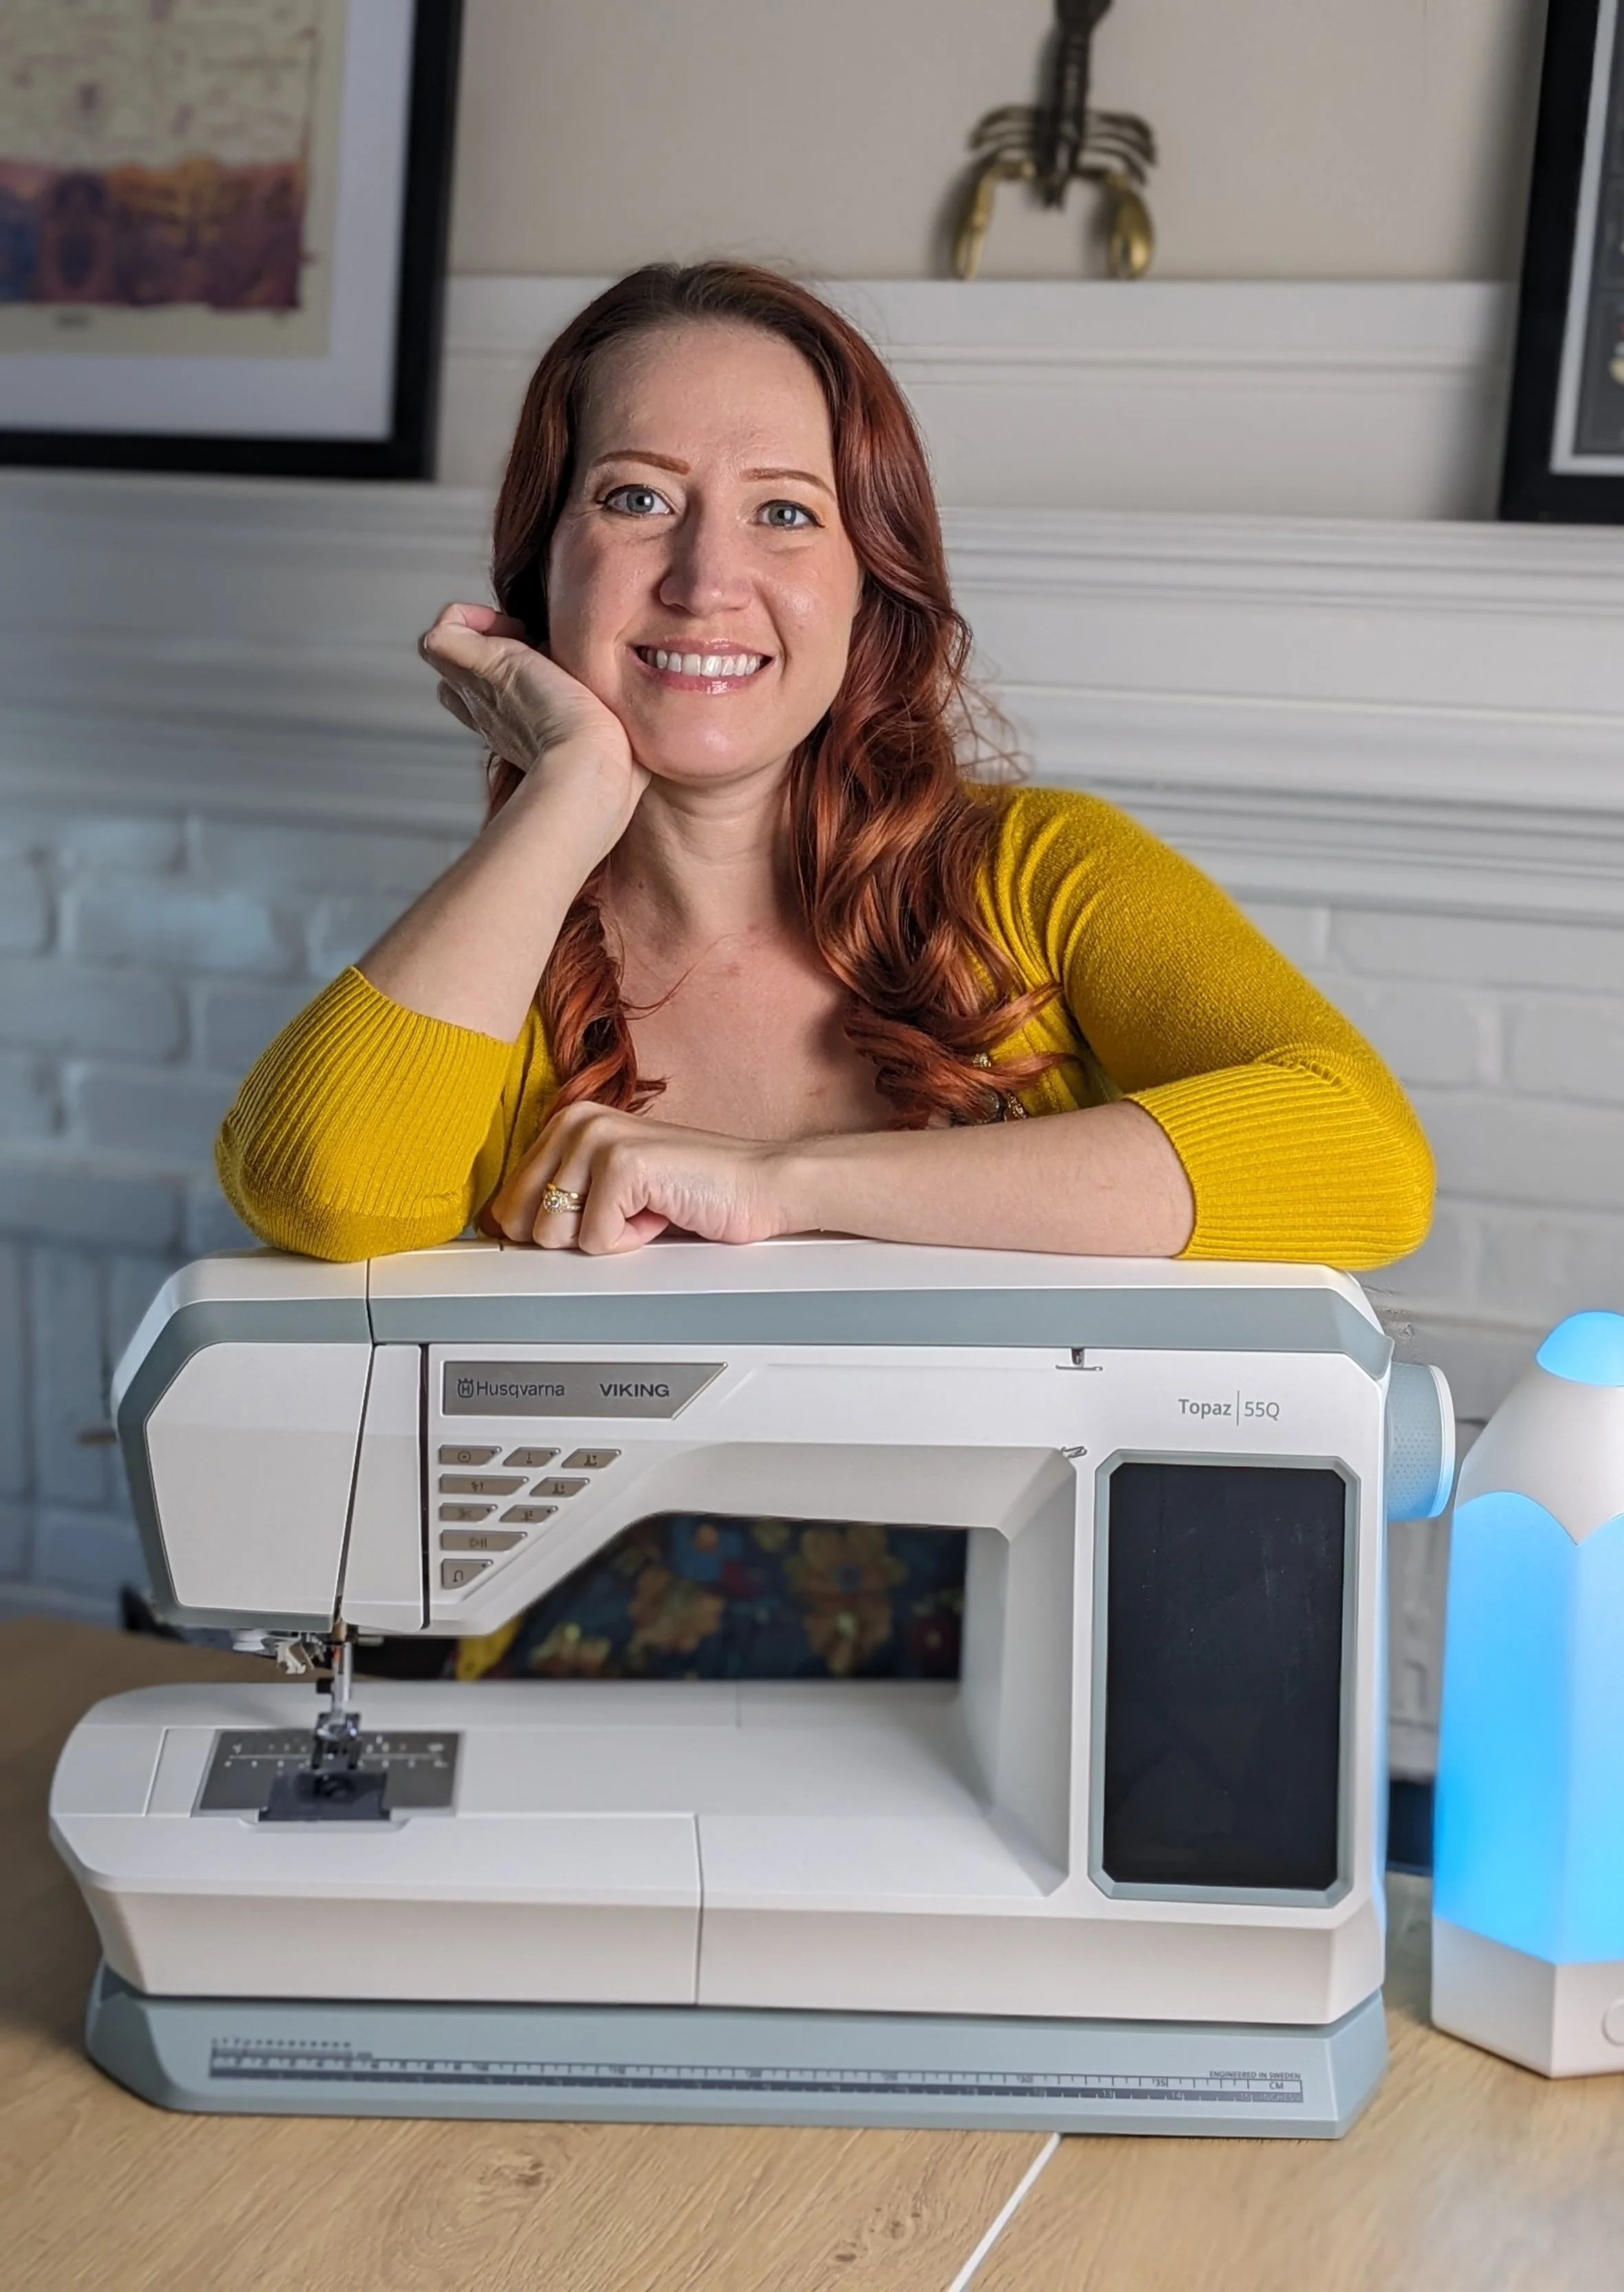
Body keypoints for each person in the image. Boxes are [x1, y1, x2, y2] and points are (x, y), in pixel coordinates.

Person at [216, 261, 1433, 1680]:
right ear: (543, 566)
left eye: (784, 512)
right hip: (581, 1720)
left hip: (1023, 1708)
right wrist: (570, 789)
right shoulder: (493, 968)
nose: (703, 580)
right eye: (634, 499)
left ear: (871, 584)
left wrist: (780, 1188)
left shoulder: (1042, 878)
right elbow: (323, 1189)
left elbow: (1362, 1158)